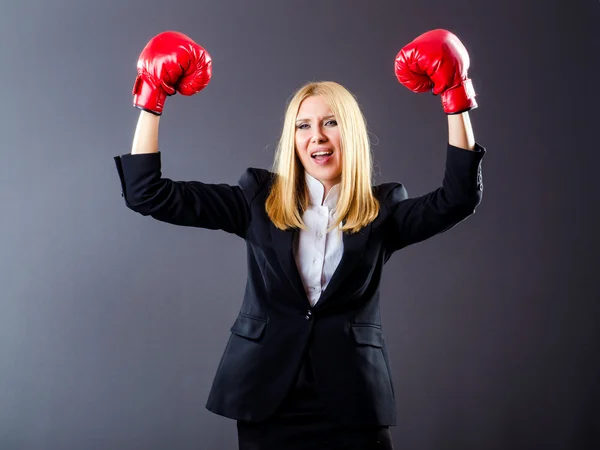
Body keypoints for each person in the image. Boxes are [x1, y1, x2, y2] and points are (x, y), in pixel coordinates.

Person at [114, 28, 485, 450]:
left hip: (353, 401)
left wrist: (456, 95)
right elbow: (147, 193)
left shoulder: (384, 211)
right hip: (266, 397)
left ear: (351, 134)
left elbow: (458, 198)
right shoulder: (258, 199)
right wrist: (151, 97)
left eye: (330, 123)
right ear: (292, 139)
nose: (317, 137)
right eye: (303, 125)